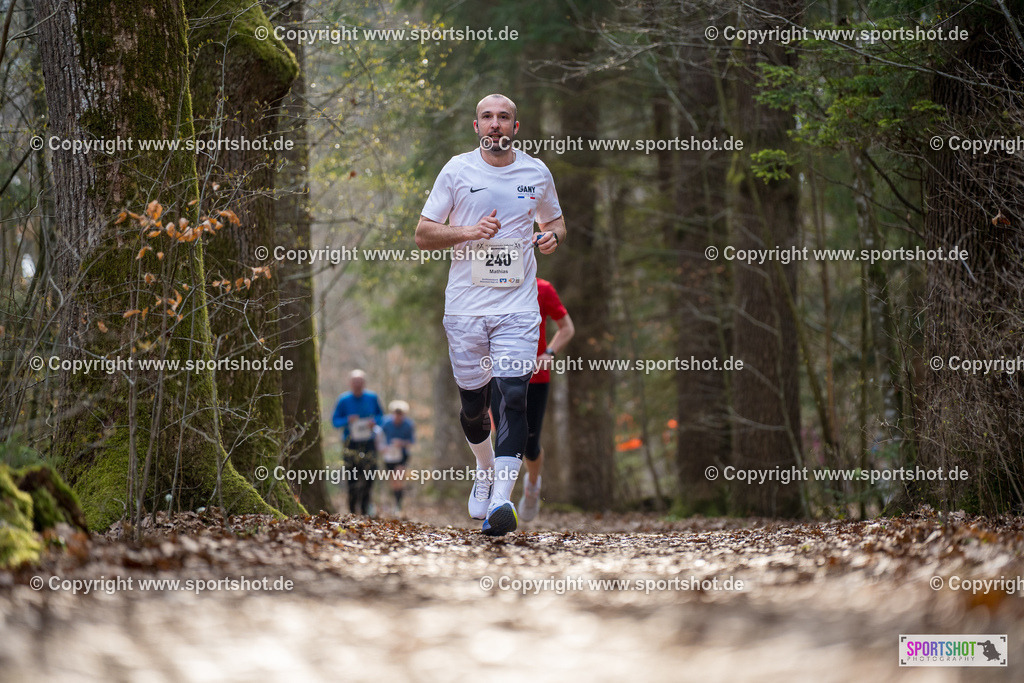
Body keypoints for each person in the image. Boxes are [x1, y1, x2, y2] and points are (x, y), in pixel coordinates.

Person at [415, 93, 566, 536]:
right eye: (487, 117)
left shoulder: (535, 172)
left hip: (517, 307)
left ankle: (502, 500)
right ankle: (483, 470)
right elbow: (423, 234)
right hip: (465, 307)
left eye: (504, 118)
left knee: (514, 395)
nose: (496, 124)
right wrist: (467, 231)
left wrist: (551, 238)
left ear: (516, 128)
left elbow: (555, 223)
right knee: (473, 405)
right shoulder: (457, 170)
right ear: (476, 126)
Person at [490, 277, 573, 522]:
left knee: (530, 444)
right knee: (502, 435)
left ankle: (533, 486)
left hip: (536, 376)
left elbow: (567, 327)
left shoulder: (543, 288)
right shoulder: (492, 284)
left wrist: (549, 353)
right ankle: (500, 501)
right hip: (501, 372)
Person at [331, 369, 384, 516]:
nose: (357, 385)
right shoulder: (343, 400)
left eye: (360, 382)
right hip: (350, 443)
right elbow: (335, 421)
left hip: (369, 442)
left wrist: (375, 422)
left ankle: (366, 507)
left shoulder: (372, 397)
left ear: (364, 383)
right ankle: (352, 509)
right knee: (352, 476)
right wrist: (347, 420)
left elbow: (381, 416)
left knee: (369, 475)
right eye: (355, 382)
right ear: (350, 383)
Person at [381, 400, 416, 514]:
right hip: (389, 455)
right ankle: (395, 502)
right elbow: (379, 436)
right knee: (393, 481)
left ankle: (398, 505)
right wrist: (383, 447)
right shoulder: (386, 423)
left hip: (402, 455)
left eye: (400, 413)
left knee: (399, 477)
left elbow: (411, 441)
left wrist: (402, 443)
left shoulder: (408, 424)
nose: (398, 416)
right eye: (396, 413)